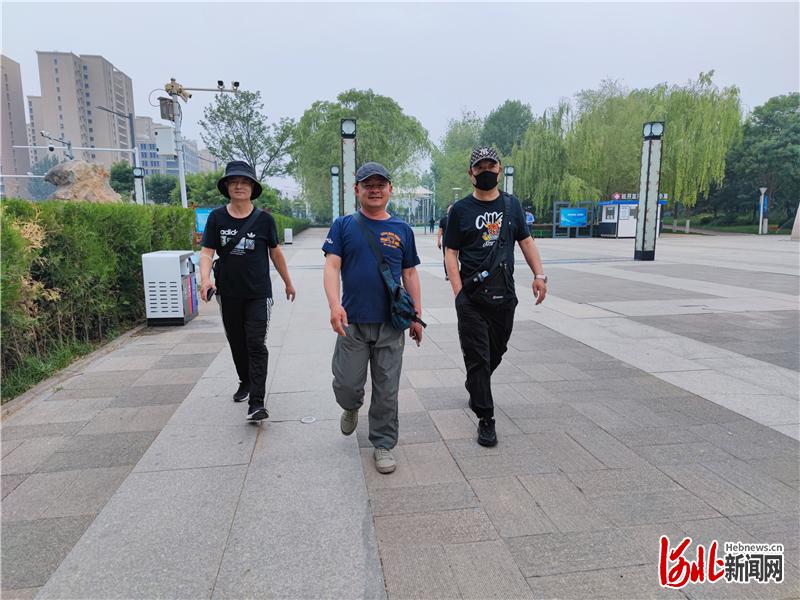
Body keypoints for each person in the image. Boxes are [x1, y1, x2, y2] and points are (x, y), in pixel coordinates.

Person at [323, 162, 424, 474]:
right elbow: (332, 266)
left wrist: (416, 315)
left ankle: (383, 443)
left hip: (390, 324)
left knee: (387, 390)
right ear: (357, 190)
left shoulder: (402, 230)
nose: (375, 190)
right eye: (368, 185)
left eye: (381, 184)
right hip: (352, 322)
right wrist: (334, 305)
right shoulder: (343, 226)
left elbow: (410, 273)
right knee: (347, 384)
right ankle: (351, 406)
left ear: (390, 189)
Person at [444, 146, 547, 447]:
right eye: (480, 167)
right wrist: (458, 294)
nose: (486, 171)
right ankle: (486, 418)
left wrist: (539, 275)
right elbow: (450, 252)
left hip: (504, 295)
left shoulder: (511, 206)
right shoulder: (460, 210)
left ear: (499, 169)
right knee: (478, 356)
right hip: (471, 297)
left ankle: (476, 383)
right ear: (471, 173)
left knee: (496, 352)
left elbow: (526, 241)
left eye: (491, 166)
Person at [199, 161, 296, 422]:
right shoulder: (217, 217)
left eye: (244, 182)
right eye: (233, 182)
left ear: (252, 187)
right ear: (227, 187)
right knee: (237, 342)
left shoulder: (264, 220)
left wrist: (288, 282)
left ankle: (257, 402)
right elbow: (207, 252)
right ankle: (245, 380)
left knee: (256, 343)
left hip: (258, 293)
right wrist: (205, 279)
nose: (239, 186)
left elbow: (275, 252)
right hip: (228, 292)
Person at [436, 204, 452, 280]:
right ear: (447, 211)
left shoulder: (458, 219)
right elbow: (440, 231)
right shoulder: (443, 220)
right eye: (449, 209)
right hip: (446, 242)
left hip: (457, 242)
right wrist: (438, 241)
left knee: (456, 258)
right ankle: (447, 274)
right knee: (446, 258)